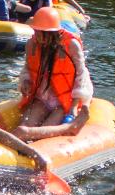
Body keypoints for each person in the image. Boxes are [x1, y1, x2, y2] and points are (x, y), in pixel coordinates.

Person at [16, 8, 94, 140]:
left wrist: (74, 108)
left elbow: (82, 76)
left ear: (52, 32)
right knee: (24, 126)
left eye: (40, 32)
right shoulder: (31, 44)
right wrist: (26, 81)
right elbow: (27, 69)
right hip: (42, 97)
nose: (37, 35)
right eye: (35, 31)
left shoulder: (71, 45)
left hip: (65, 101)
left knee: (43, 134)